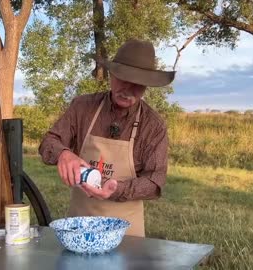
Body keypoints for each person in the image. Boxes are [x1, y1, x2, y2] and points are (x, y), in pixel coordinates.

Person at [38, 39, 175, 237]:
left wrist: (117, 189)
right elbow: (48, 142)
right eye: (123, 78)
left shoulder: (153, 125)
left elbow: (155, 181)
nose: (128, 89)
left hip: (127, 234)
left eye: (138, 84)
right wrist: (64, 154)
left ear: (147, 85)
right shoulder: (82, 107)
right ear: (111, 74)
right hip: (80, 228)